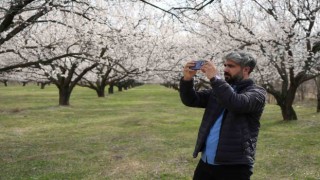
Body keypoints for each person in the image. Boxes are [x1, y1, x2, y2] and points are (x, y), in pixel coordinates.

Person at [179, 51, 267, 180]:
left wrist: (215, 78)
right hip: (206, 162)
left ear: (246, 69)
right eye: (225, 65)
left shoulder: (257, 93)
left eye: (231, 66)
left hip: (234, 166)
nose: (225, 69)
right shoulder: (219, 90)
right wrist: (187, 79)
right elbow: (191, 100)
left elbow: (236, 103)